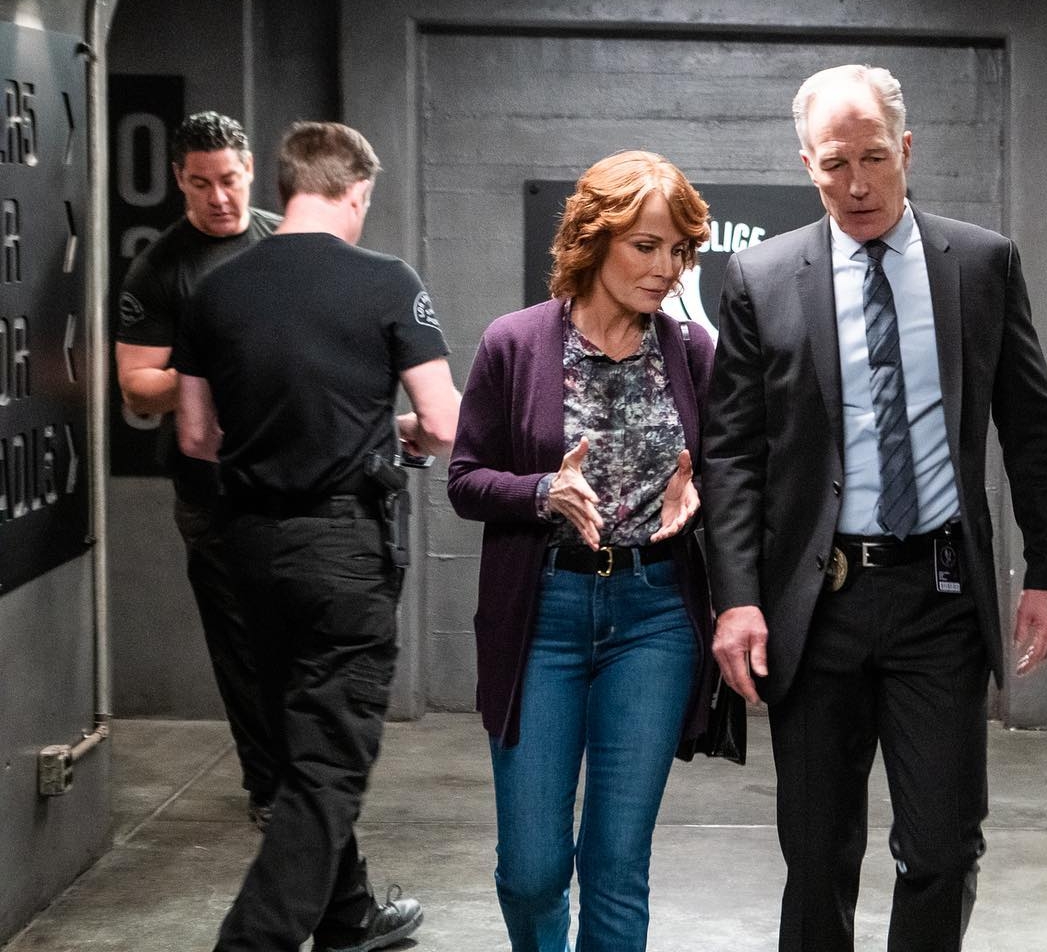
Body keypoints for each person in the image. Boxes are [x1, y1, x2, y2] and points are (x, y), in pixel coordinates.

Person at [703, 65, 1047, 951]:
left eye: (874, 157)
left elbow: (1031, 423)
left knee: (943, 850)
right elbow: (731, 454)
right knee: (817, 855)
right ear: (807, 164)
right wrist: (738, 598)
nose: (858, 184)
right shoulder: (761, 277)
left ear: (906, 149)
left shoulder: (980, 265)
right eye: (835, 164)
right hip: (817, 606)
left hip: (939, 600)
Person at [174, 121, 459, 952]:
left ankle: (348, 916)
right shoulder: (387, 281)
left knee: (300, 742)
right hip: (342, 552)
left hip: (248, 548)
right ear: (357, 191)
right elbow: (444, 423)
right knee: (328, 770)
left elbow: (196, 436)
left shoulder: (215, 291)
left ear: (285, 185)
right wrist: (384, 434)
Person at [447, 150, 715, 952]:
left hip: (654, 617)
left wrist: (701, 492)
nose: (666, 269)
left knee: (616, 863)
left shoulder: (691, 351)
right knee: (532, 870)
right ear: (594, 240)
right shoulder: (514, 343)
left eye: (679, 250)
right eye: (646, 246)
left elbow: (739, 471)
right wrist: (541, 492)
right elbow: (464, 480)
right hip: (544, 616)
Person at [113, 111, 280, 827]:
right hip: (211, 492)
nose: (219, 197)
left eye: (230, 179)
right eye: (201, 183)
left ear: (250, 171)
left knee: (303, 635)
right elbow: (135, 386)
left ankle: (312, 778)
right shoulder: (159, 268)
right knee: (242, 643)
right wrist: (216, 370)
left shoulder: (284, 243)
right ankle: (270, 789)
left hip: (292, 480)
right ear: (179, 180)